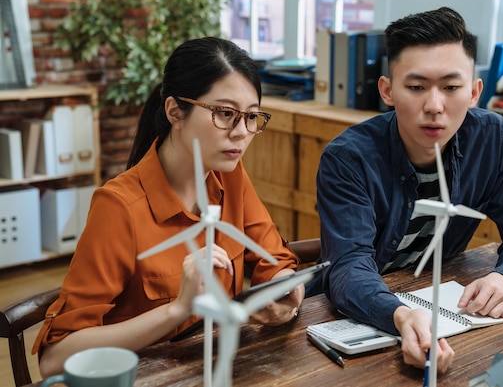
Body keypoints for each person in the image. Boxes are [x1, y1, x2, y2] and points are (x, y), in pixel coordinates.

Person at [34, 37, 304, 377]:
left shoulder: (230, 178)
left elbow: (274, 260)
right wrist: (178, 310)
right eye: (225, 113)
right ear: (176, 111)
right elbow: (55, 359)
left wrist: (286, 289)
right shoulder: (118, 207)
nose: (241, 133)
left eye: (251, 117)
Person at [307, 7, 503, 372]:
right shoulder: (349, 158)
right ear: (387, 91)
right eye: (417, 87)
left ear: (474, 92)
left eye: (451, 88)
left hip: (445, 307)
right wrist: (402, 316)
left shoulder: (494, 138)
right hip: (352, 317)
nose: (434, 106)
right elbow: (346, 269)